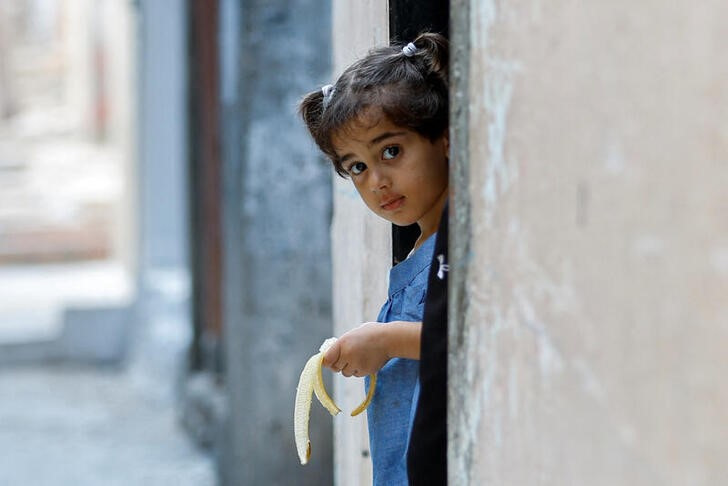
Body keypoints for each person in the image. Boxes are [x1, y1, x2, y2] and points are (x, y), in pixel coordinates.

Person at [299, 32, 449, 485]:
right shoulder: (422, 250)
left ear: (444, 138)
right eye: (357, 167)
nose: (377, 181)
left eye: (391, 151)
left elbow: (468, 340)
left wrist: (386, 341)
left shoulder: (460, 246)